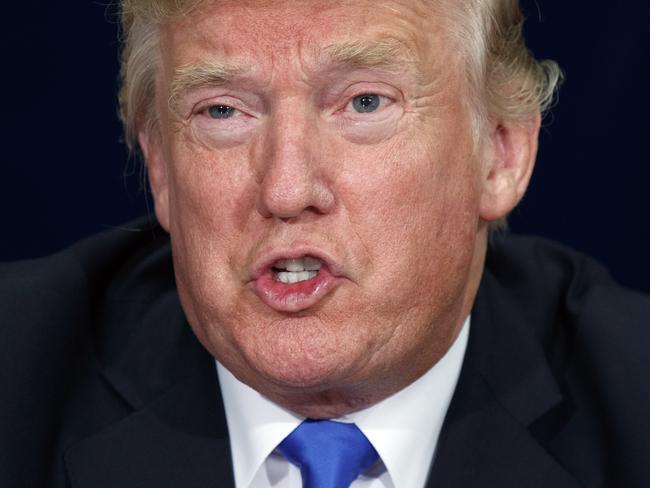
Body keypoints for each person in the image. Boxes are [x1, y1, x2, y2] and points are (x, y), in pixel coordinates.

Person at [1, 0, 648, 487]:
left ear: (502, 150)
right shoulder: (20, 375)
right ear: (161, 168)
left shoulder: (633, 403)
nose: (285, 189)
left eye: (364, 103)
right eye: (222, 111)